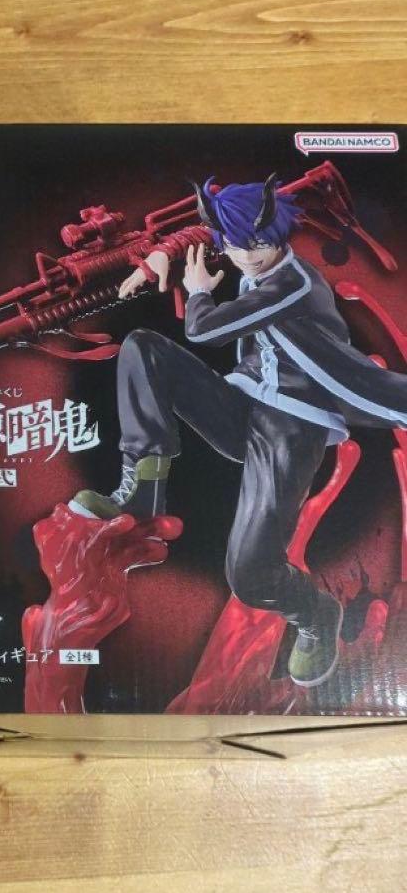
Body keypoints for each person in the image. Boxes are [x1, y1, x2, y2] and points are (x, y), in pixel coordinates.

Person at [71, 174, 407, 688]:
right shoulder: (236, 244)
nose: (246, 258)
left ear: (280, 235)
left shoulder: (293, 283)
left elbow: (203, 329)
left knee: (250, 576)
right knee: (143, 348)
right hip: (243, 406)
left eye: (259, 246)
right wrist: (154, 257)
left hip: (292, 426)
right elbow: (196, 234)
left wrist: (199, 293)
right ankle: (142, 495)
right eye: (234, 246)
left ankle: (314, 612)